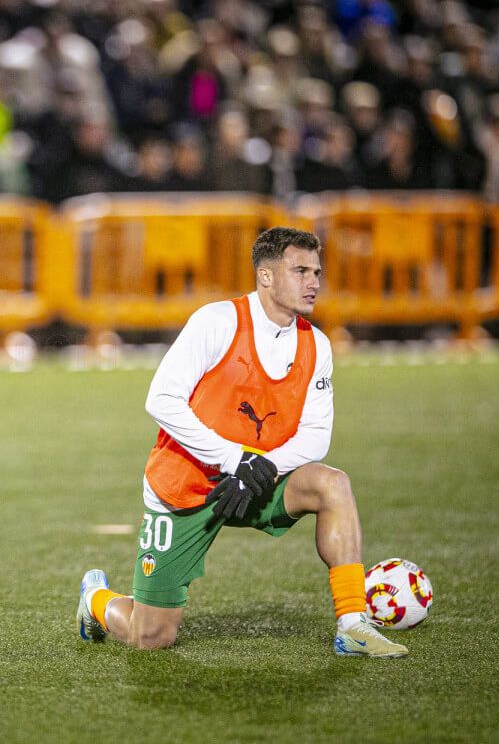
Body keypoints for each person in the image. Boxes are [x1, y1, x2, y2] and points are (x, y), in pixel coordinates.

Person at [76, 226, 408, 658]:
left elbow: (315, 436)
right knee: (151, 636)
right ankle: (95, 600)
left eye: (317, 272)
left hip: (255, 481)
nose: (314, 282)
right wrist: (237, 459)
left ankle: (353, 624)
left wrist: (259, 468)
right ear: (266, 277)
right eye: (301, 270)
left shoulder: (316, 345)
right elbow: (161, 399)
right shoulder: (216, 322)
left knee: (332, 484)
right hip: (186, 487)